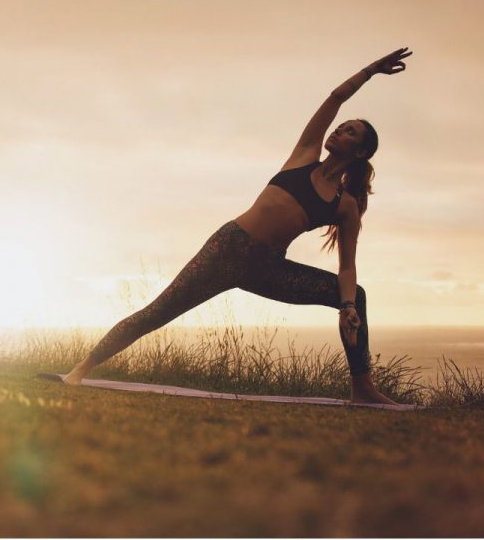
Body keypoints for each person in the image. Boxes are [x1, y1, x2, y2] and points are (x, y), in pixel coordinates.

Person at [63, 47, 413, 404]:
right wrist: (371, 71)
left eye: (350, 132)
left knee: (357, 296)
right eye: (342, 125)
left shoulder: (345, 205)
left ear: (359, 152)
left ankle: (363, 388)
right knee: (159, 311)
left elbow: (347, 266)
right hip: (228, 247)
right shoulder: (304, 155)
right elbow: (335, 98)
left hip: (267, 267)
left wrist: (347, 307)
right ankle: (80, 369)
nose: (340, 129)